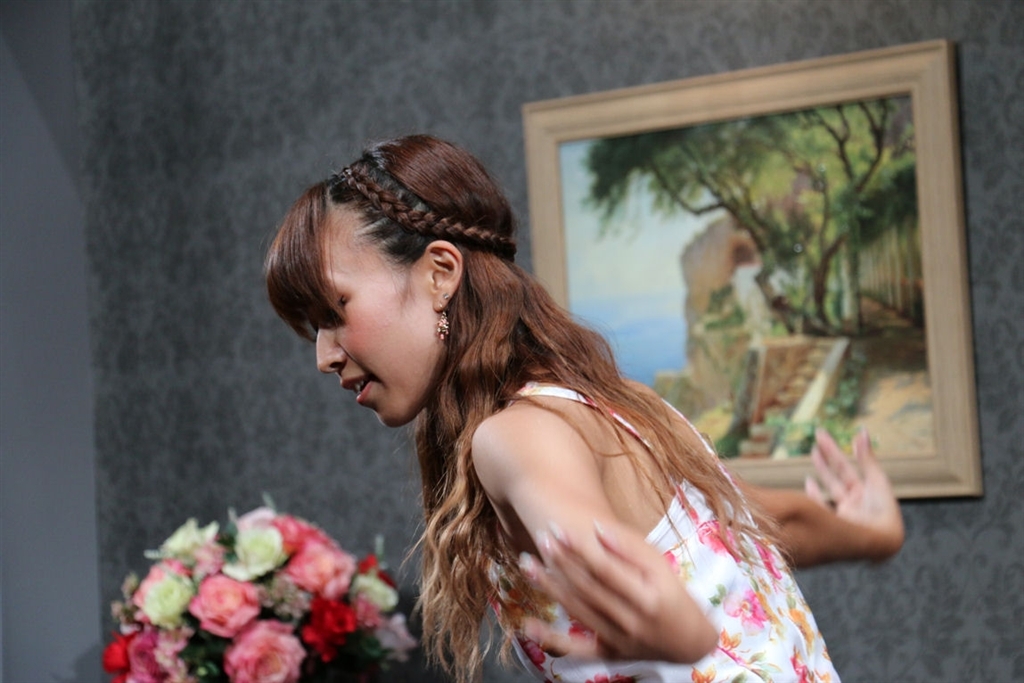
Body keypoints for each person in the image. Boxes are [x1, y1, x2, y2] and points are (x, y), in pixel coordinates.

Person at [264, 134, 904, 683]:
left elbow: (601, 550)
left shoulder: (510, 437)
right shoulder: (621, 406)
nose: (324, 355)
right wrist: (874, 534)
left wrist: (672, 623)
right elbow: (761, 521)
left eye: (334, 311)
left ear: (439, 272)